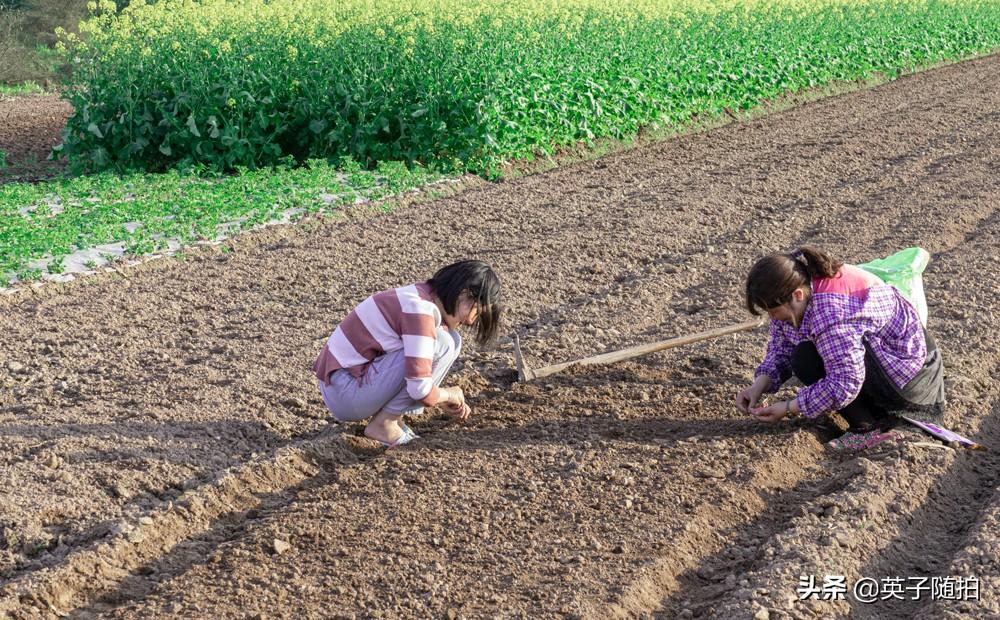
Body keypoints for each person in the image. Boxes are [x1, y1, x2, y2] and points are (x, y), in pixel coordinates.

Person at [735, 246, 945, 451]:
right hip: (890, 360)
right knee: (805, 354)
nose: (772, 317)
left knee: (806, 357)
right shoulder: (803, 287)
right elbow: (782, 348)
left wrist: (789, 407)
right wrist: (759, 386)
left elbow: (845, 381)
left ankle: (866, 429)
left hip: (912, 381)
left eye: (773, 310)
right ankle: (871, 413)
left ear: (797, 295)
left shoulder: (831, 313)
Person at [314, 260, 502, 447]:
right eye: (476, 313)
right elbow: (419, 388)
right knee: (443, 343)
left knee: (451, 340)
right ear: (464, 293)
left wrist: (437, 395)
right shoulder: (420, 311)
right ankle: (385, 424)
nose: (470, 322)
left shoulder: (423, 296)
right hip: (345, 392)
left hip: (345, 384)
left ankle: (395, 418)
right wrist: (447, 395)